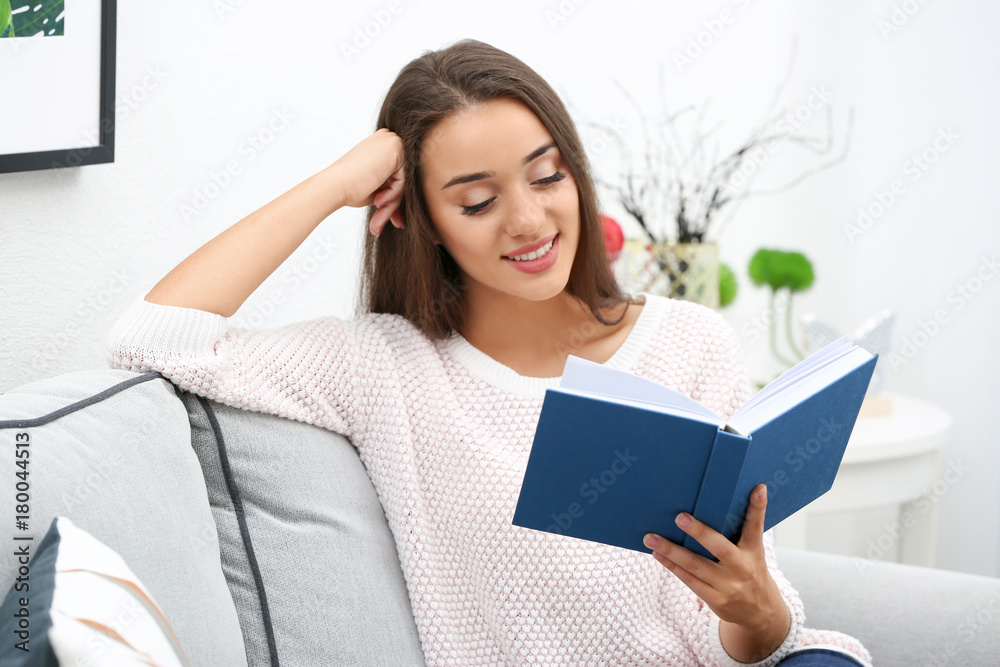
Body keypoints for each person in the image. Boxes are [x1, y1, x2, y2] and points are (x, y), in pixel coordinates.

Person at [107, 39, 872, 667]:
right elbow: (152, 336)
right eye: (477, 200)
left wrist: (759, 614)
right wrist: (338, 183)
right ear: (423, 218)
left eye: (548, 175)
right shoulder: (384, 366)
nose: (529, 219)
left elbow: (736, 636)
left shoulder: (691, 339)